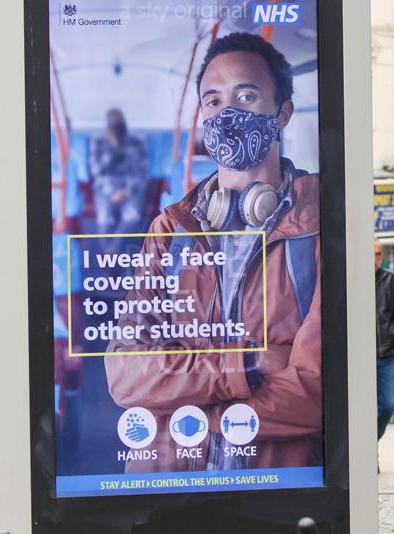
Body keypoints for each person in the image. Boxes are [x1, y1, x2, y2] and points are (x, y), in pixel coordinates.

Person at [105, 33, 322, 472]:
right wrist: (245, 367)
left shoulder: (319, 224)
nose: (228, 113)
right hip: (169, 488)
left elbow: (316, 392)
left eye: (246, 95)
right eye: (213, 101)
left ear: (282, 113)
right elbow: (126, 374)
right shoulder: (171, 228)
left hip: (275, 490)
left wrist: (190, 407)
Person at [90, 108, 148, 237]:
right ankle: (109, 253)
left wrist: (126, 191)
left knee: (132, 217)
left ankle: (112, 251)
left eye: (118, 124)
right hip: (105, 187)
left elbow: (142, 172)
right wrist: (113, 152)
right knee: (104, 220)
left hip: (130, 187)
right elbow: (96, 171)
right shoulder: (99, 143)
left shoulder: (136, 143)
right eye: (112, 124)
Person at [375, 243, 394, 441]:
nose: (374, 258)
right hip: (359, 357)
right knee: (361, 409)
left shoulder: (390, 279)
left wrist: (392, 331)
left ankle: (371, 443)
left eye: (378, 254)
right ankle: (368, 453)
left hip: (385, 353)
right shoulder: (351, 278)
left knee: (387, 405)